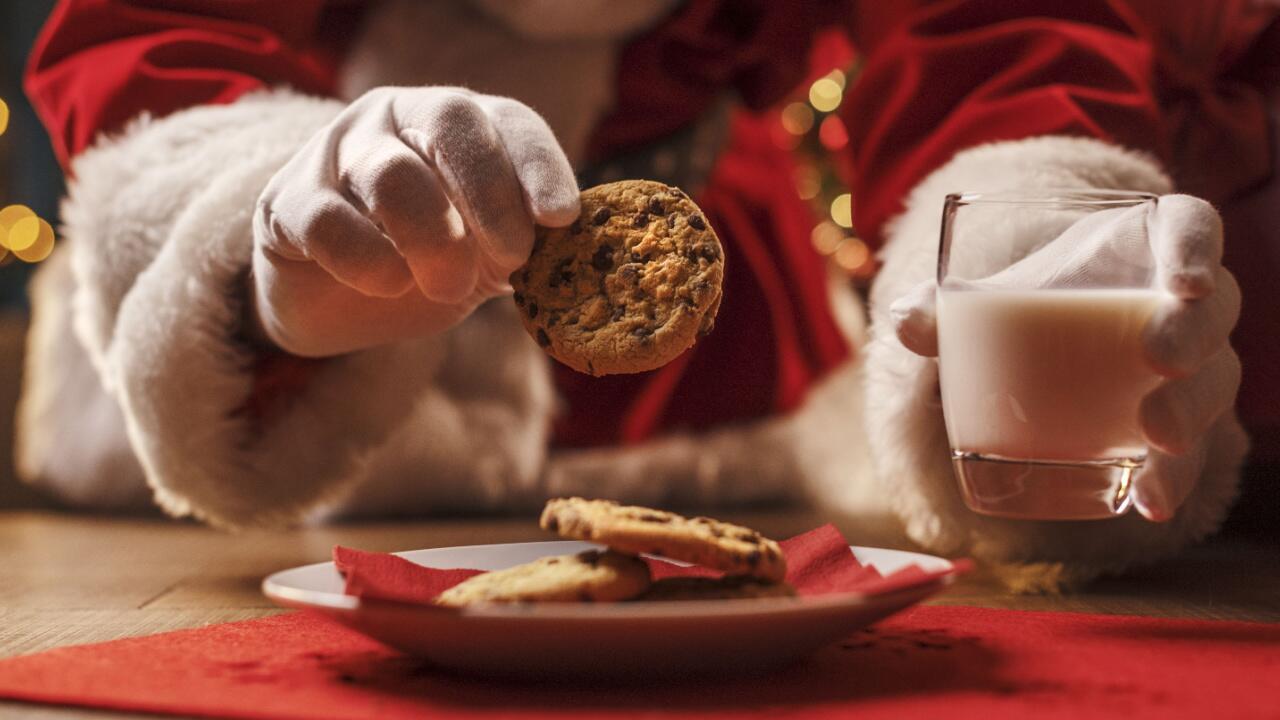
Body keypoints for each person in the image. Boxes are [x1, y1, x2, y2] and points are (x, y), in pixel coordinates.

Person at [17, 0, 1278, 585]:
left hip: (717, 385)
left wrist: (1031, 243)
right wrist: (258, 237)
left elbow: (994, 40)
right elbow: (141, 32)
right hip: (277, 427)